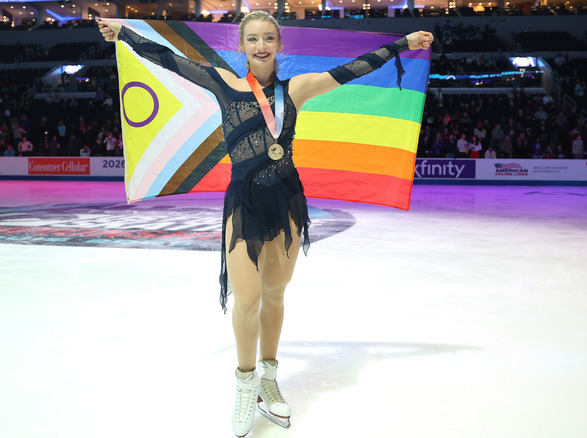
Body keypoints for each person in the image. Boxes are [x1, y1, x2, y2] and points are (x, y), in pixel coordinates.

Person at [98, 14, 433, 438]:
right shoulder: (222, 82)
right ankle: (245, 383)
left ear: (279, 44)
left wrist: (404, 42)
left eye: (268, 38)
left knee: (274, 294)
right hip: (244, 202)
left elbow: (355, 68)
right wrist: (123, 32)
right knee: (249, 297)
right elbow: (168, 58)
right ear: (242, 46)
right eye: (253, 39)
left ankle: (269, 378)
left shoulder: (297, 88)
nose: (261, 45)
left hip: (287, 199)